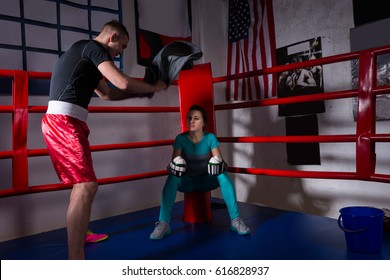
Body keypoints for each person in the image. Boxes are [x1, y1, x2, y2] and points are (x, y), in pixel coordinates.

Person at [41, 20, 166, 259]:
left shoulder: (87, 56)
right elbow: (123, 82)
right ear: (113, 36)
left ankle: (80, 232)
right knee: (87, 185)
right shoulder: (92, 48)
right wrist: (151, 85)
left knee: (82, 184)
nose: (121, 52)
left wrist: (143, 93)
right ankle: (75, 259)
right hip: (63, 121)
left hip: (71, 122)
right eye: (122, 46)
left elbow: (108, 93)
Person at [150, 104, 251, 240]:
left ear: (204, 122)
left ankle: (235, 220)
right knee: (172, 177)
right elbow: (174, 163)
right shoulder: (181, 139)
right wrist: (172, 166)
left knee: (223, 174)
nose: (191, 121)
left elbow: (221, 161)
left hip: (206, 181)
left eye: (196, 118)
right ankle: (164, 223)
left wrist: (221, 165)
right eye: (189, 118)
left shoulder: (210, 138)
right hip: (187, 182)